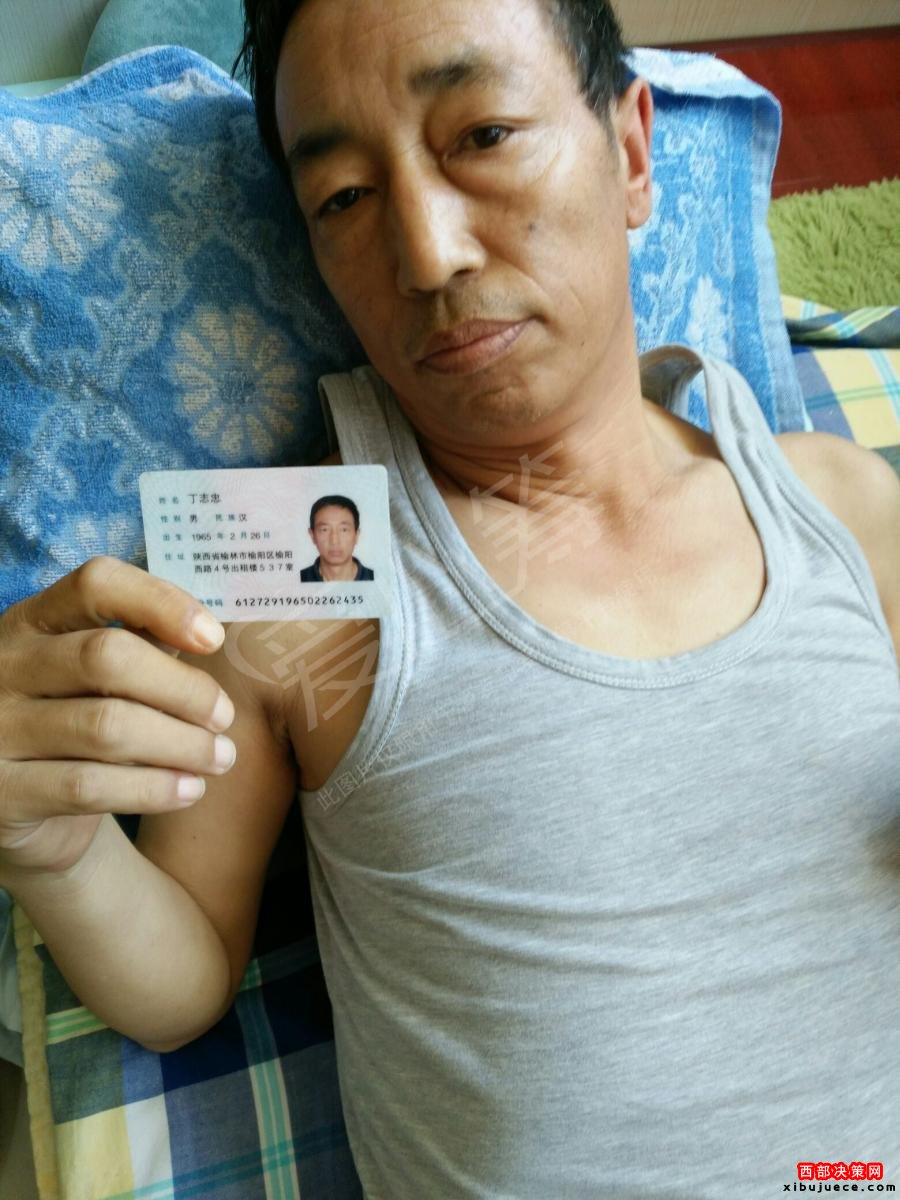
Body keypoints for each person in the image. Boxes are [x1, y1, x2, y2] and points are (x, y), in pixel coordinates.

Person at [1, 0, 898, 1196]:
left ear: (633, 152)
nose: (426, 256)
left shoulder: (843, 507)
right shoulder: (293, 572)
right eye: (344, 199)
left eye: (482, 135)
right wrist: (49, 846)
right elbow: (184, 975)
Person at [300, 494, 375, 580]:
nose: (334, 541)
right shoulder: (300, 578)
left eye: (344, 530)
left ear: (356, 535)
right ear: (312, 536)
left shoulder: (374, 578)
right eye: (324, 530)